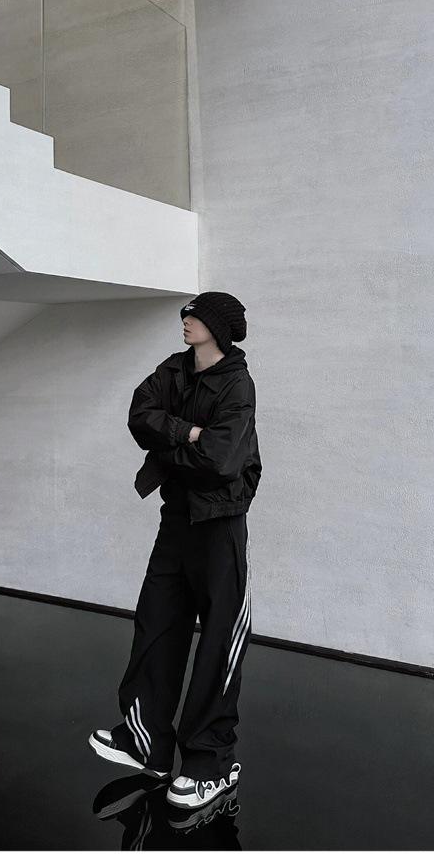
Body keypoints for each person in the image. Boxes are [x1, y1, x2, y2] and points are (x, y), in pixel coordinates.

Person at [89, 291, 262, 810]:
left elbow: (221, 459)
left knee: (219, 644)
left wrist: (171, 451)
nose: (185, 321)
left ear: (218, 327)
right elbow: (139, 415)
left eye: (195, 315)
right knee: (157, 623)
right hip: (177, 519)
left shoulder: (237, 384)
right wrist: (186, 431)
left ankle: (212, 764)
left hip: (219, 525)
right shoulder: (174, 368)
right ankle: (149, 743)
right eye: (186, 313)